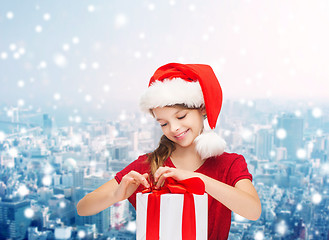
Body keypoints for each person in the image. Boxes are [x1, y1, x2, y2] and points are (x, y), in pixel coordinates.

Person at [77, 63, 261, 240]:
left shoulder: (228, 164)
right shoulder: (148, 166)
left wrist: (197, 180)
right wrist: (116, 196)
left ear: (202, 109)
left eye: (181, 116)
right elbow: (83, 208)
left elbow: (253, 210)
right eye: (163, 123)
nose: (174, 128)